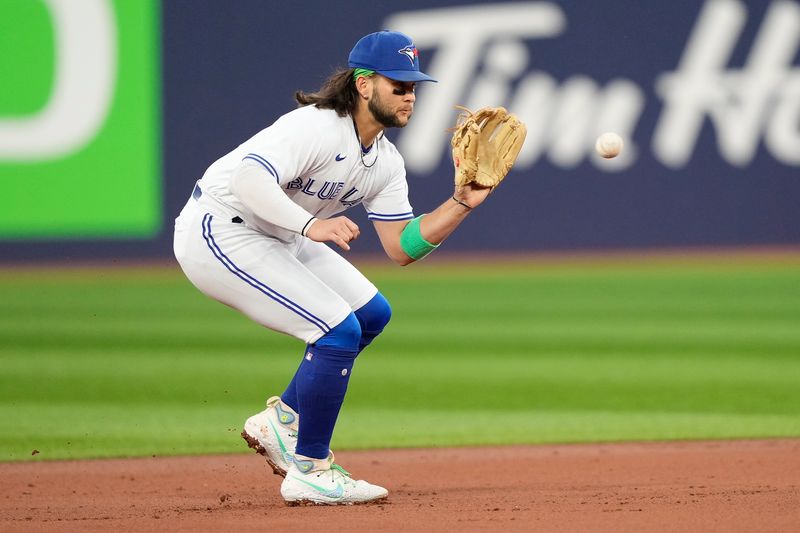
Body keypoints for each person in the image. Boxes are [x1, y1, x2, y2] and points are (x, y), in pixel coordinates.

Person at [173, 30, 494, 505]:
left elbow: (401, 247)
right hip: (220, 228)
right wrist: (309, 225)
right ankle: (310, 470)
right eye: (398, 85)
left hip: (281, 232)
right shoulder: (317, 126)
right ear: (364, 85)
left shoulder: (385, 160)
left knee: (372, 315)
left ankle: (281, 421)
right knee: (336, 331)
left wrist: (461, 203)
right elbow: (248, 179)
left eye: (413, 88)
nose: (409, 97)